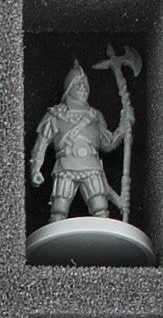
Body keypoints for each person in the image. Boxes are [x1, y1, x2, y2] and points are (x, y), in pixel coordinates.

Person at [30, 65, 126, 222]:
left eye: (85, 84)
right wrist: (35, 169)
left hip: (92, 166)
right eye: (78, 84)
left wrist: (123, 129)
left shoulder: (95, 116)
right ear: (69, 89)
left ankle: (103, 236)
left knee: (101, 208)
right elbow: (41, 144)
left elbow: (108, 143)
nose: (83, 88)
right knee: (59, 209)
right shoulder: (55, 114)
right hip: (66, 165)